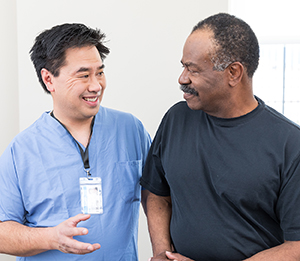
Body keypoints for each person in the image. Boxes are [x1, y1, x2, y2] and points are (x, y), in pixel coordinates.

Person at [140, 13, 300, 261]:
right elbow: (156, 193)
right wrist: (162, 253)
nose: (182, 79)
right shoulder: (176, 119)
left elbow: (296, 246)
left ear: (234, 73)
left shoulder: (290, 143)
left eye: (193, 70)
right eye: (183, 66)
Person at [0, 23, 151, 260]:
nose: (96, 85)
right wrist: (50, 239)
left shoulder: (130, 129)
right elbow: (2, 232)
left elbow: (157, 195)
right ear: (49, 79)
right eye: (83, 75)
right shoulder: (21, 151)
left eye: (99, 72)